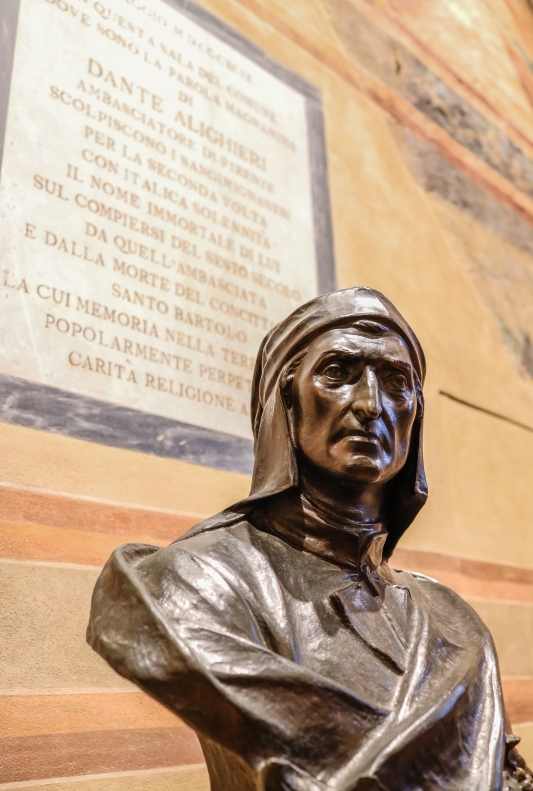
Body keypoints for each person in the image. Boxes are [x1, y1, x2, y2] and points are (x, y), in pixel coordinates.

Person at [87, 287, 530, 791]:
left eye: (396, 382)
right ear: (286, 399)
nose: (370, 404)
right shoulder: (194, 581)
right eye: (337, 373)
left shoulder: (454, 619)